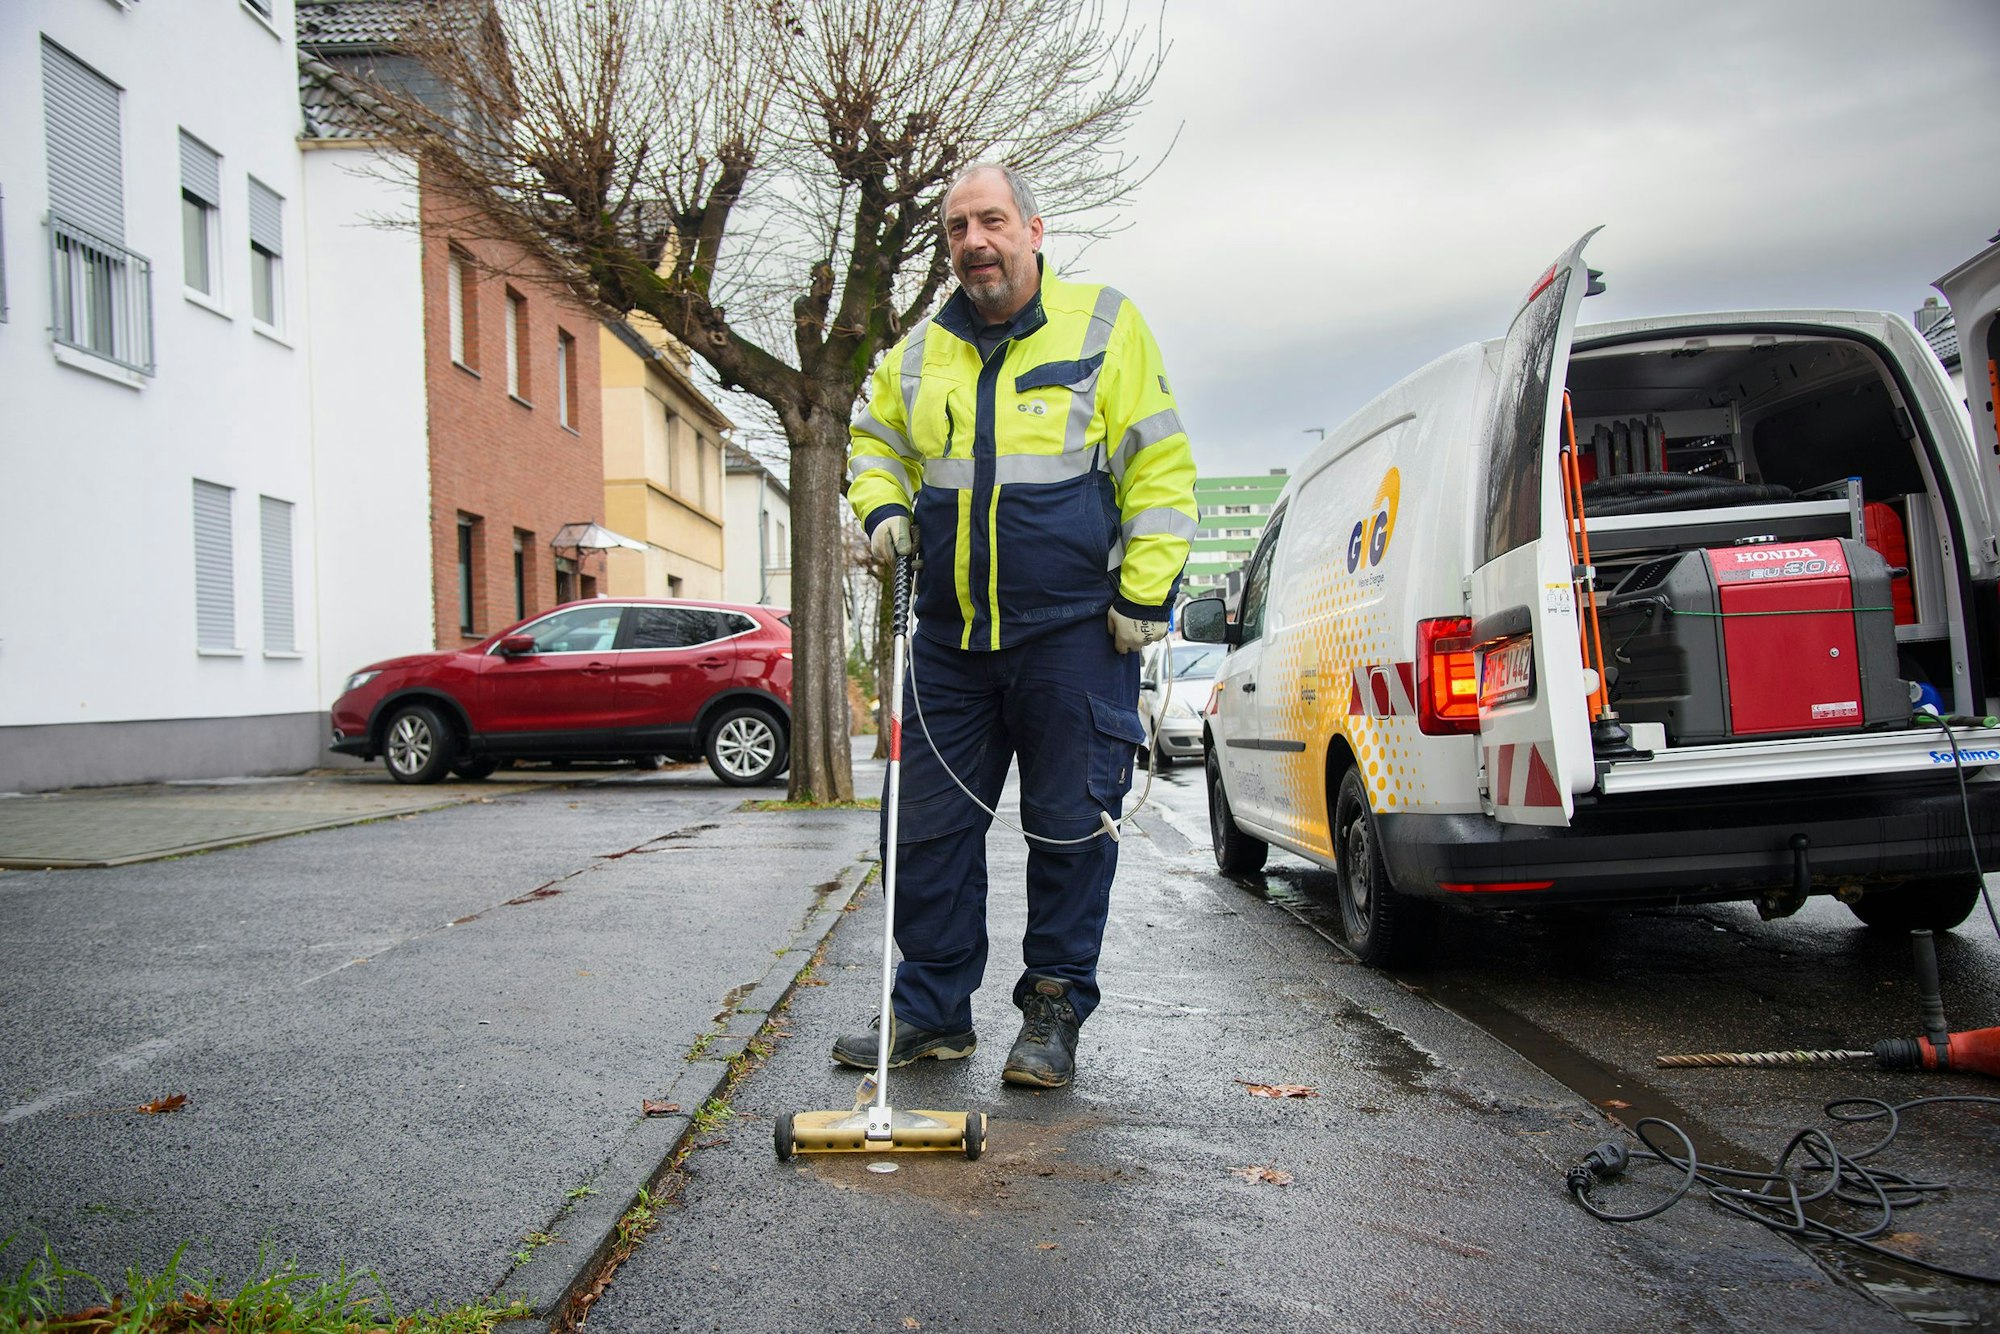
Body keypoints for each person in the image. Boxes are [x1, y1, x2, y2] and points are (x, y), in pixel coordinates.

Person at [839, 163, 1197, 1087]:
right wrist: (882, 510)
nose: (973, 243)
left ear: (1034, 229)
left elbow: (1159, 464)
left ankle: (1051, 1011)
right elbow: (873, 441)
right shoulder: (918, 354)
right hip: (951, 640)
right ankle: (928, 1013)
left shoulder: (1105, 325)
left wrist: (1144, 596)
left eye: (990, 221)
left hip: (1074, 634)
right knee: (925, 830)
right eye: (957, 228)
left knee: (1070, 827)